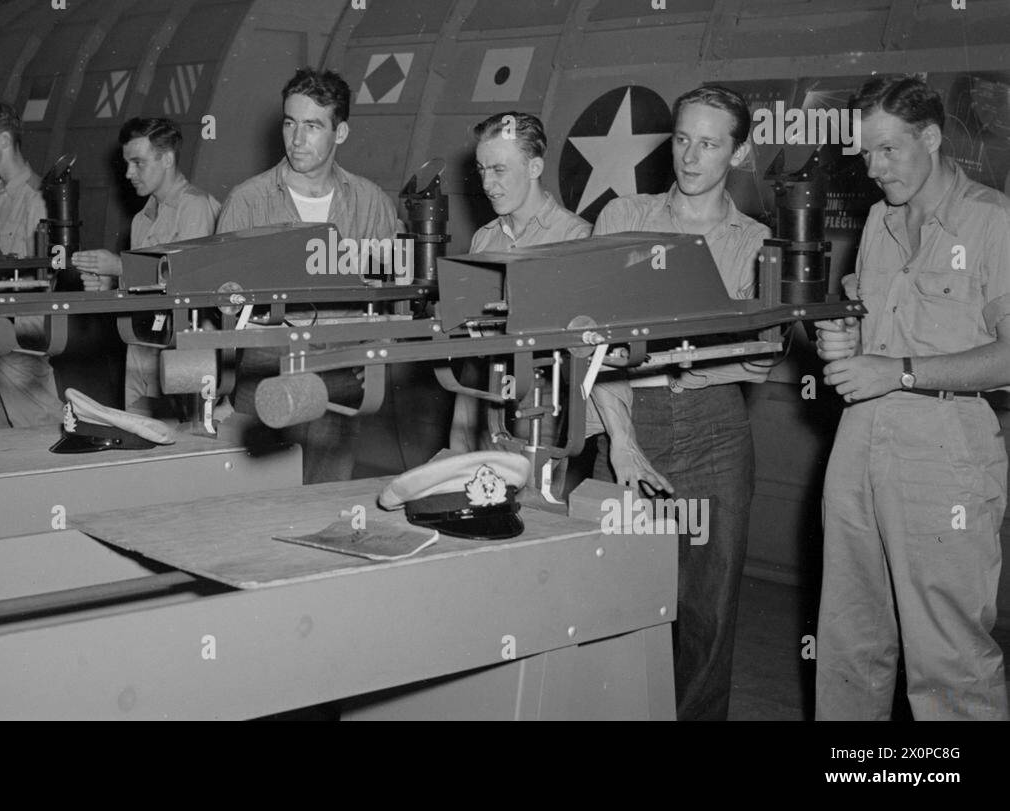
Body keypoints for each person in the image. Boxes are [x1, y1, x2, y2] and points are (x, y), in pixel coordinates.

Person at [813, 76, 1009, 720]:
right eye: (865, 153)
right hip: (859, 444)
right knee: (849, 641)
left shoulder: (992, 221)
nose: (873, 169)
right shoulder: (879, 219)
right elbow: (872, 336)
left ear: (930, 137)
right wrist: (844, 340)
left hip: (944, 449)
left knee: (947, 656)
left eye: (888, 150)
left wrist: (895, 370)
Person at [591, 83, 771, 720]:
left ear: (740, 152)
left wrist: (747, 351)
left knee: (706, 611)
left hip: (715, 429)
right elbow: (596, 350)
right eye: (682, 140)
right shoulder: (623, 219)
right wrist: (622, 441)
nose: (691, 158)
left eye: (711, 144)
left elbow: (758, 358)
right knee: (609, 599)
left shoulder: (757, 243)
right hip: (627, 417)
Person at [450, 111, 663, 491]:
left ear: (534, 167)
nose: (487, 183)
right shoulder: (484, 240)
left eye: (499, 170)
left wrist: (622, 440)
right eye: (482, 170)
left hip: (542, 401)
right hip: (482, 395)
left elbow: (598, 350)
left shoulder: (576, 239)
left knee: (532, 514)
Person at [217, 67, 399, 483]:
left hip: (337, 376)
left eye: (313, 126)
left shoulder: (371, 204)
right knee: (256, 505)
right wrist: (223, 384)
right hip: (264, 373)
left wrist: (375, 352)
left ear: (341, 133)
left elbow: (392, 292)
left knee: (323, 501)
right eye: (289, 123)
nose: (296, 140)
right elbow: (218, 304)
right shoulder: (247, 202)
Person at [72, 117, 219, 416]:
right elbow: (139, 288)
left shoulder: (196, 207)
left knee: (185, 439)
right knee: (138, 435)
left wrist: (119, 267)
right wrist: (108, 283)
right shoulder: (142, 219)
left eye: (138, 163)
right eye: (127, 163)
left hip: (183, 347)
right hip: (141, 347)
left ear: (166, 158)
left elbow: (191, 282)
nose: (128, 173)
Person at [0, 101, 62, 431]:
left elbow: (45, 277)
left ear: (4, 140)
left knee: (37, 425)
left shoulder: (38, 198)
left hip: (19, 332)